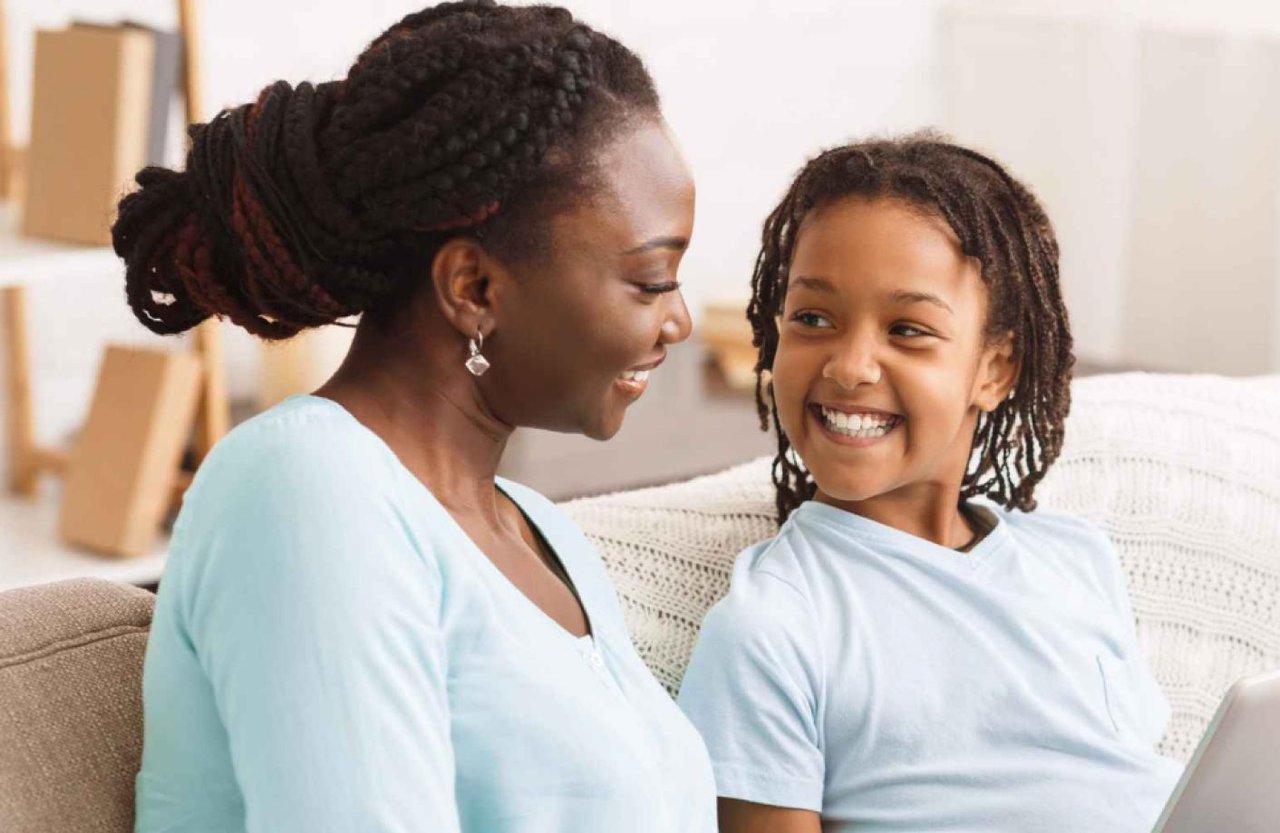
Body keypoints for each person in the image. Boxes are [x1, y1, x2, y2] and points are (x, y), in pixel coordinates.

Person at [113, 3, 715, 830]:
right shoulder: (304, 488)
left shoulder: (541, 531)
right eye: (650, 282)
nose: (679, 321)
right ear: (474, 289)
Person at [677, 134, 1184, 832]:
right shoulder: (774, 627)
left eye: (908, 329)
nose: (850, 365)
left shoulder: (1077, 558)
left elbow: (1133, 784)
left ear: (995, 369)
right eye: (813, 318)